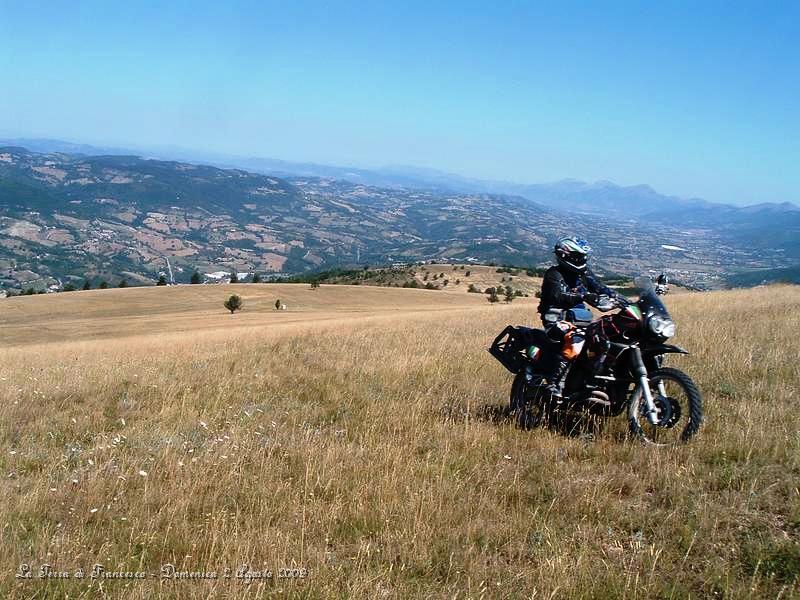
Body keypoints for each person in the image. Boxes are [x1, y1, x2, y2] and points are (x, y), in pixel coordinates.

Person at [537, 237, 619, 397]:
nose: (582, 260)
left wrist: (624, 301)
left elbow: (601, 288)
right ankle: (555, 385)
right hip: (556, 320)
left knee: (605, 339)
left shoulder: (583, 273)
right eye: (578, 257)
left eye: (583, 257)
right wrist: (583, 296)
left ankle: (592, 379)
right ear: (565, 256)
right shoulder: (553, 274)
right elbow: (557, 296)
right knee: (574, 340)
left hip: (581, 320)